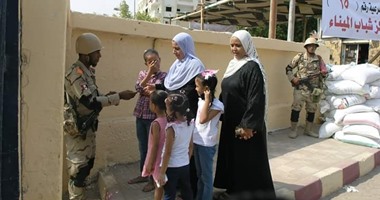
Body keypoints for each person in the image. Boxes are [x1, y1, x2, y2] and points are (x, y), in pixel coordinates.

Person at [64, 32, 137, 200]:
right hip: (78, 131)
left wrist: (108, 95)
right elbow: (90, 102)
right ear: (86, 54)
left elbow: (93, 96)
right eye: (97, 52)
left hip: (88, 129)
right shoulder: (76, 74)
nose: (100, 56)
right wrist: (118, 96)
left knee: (87, 166)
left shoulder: (88, 72)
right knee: (78, 174)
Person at [213, 30, 275, 199]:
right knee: (232, 158)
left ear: (246, 45)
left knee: (246, 160)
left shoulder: (252, 67)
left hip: (245, 124)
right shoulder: (232, 64)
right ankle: (232, 189)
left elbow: (256, 98)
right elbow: (226, 91)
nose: (234, 48)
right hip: (230, 122)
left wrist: (248, 125)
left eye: (238, 45)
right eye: (232, 45)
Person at [145, 32, 205, 196]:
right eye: (173, 48)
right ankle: (174, 184)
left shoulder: (196, 66)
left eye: (177, 48)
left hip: (185, 116)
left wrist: (173, 98)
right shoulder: (176, 65)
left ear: (186, 47)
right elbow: (167, 83)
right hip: (172, 115)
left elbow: (191, 91)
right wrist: (156, 88)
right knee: (171, 148)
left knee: (184, 151)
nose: (174, 52)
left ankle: (186, 187)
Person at [129, 49, 167, 192]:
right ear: (146, 63)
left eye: (156, 60)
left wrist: (150, 91)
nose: (154, 64)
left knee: (154, 148)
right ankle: (143, 174)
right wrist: (149, 74)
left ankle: (153, 178)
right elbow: (139, 88)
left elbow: (159, 93)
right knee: (143, 147)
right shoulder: (143, 74)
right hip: (141, 115)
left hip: (154, 118)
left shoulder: (164, 76)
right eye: (150, 62)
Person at [285, 37, 327, 139]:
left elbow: (325, 72)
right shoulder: (299, 57)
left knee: (312, 110)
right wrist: (293, 79)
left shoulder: (319, 59)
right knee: (296, 109)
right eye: (310, 46)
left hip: (313, 90)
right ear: (306, 47)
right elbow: (288, 68)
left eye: (314, 46)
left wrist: (323, 73)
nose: (312, 48)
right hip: (300, 89)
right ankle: (293, 130)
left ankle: (308, 130)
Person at [193, 70, 224, 200]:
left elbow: (203, 119)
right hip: (197, 141)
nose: (195, 89)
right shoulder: (200, 102)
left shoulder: (218, 105)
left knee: (206, 177)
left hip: (207, 145)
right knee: (199, 175)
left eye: (197, 86)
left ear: (206, 89)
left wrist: (206, 100)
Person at [157, 92, 194, 200]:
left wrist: (162, 173)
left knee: (169, 194)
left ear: (173, 111)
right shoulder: (190, 122)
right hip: (185, 164)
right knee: (187, 191)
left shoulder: (171, 128)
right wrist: (186, 159)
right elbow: (191, 145)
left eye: (167, 107)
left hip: (171, 166)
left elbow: (168, 152)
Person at [141, 90, 168, 200]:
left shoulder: (156, 124)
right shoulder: (170, 120)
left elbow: (154, 146)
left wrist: (150, 163)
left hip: (157, 160)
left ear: (154, 106)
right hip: (167, 159)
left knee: (158, 187)